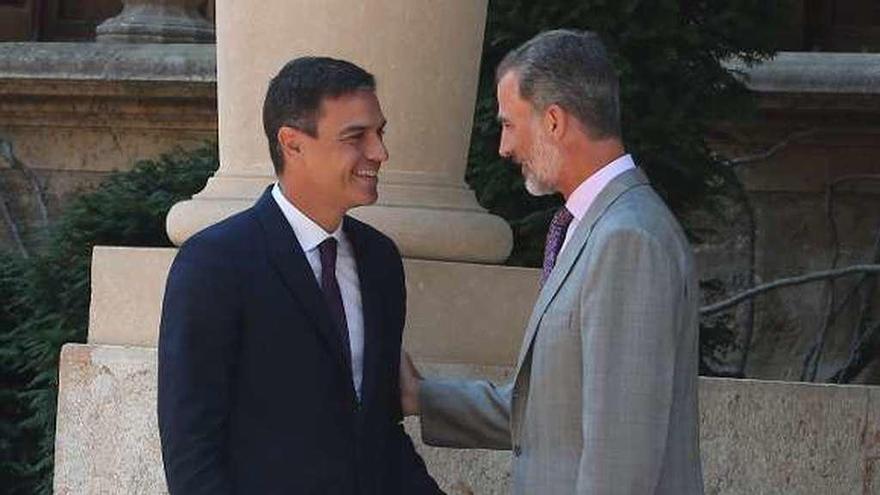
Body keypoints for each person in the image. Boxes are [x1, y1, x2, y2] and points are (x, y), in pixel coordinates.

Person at [401, 29, 704, 494]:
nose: (503, 148)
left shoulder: (627, 238)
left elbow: (620, 457)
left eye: (508, 124)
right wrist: (421, 396)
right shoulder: (594, 225)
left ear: (555, 122)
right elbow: (547, 416)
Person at [158, 56, 442, 495]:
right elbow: (192, 452)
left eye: (379, 132)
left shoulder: (380, 261)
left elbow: (378, 432)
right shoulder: (214, 263)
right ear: (292, 143)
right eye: (356, 137)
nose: (379, 152)